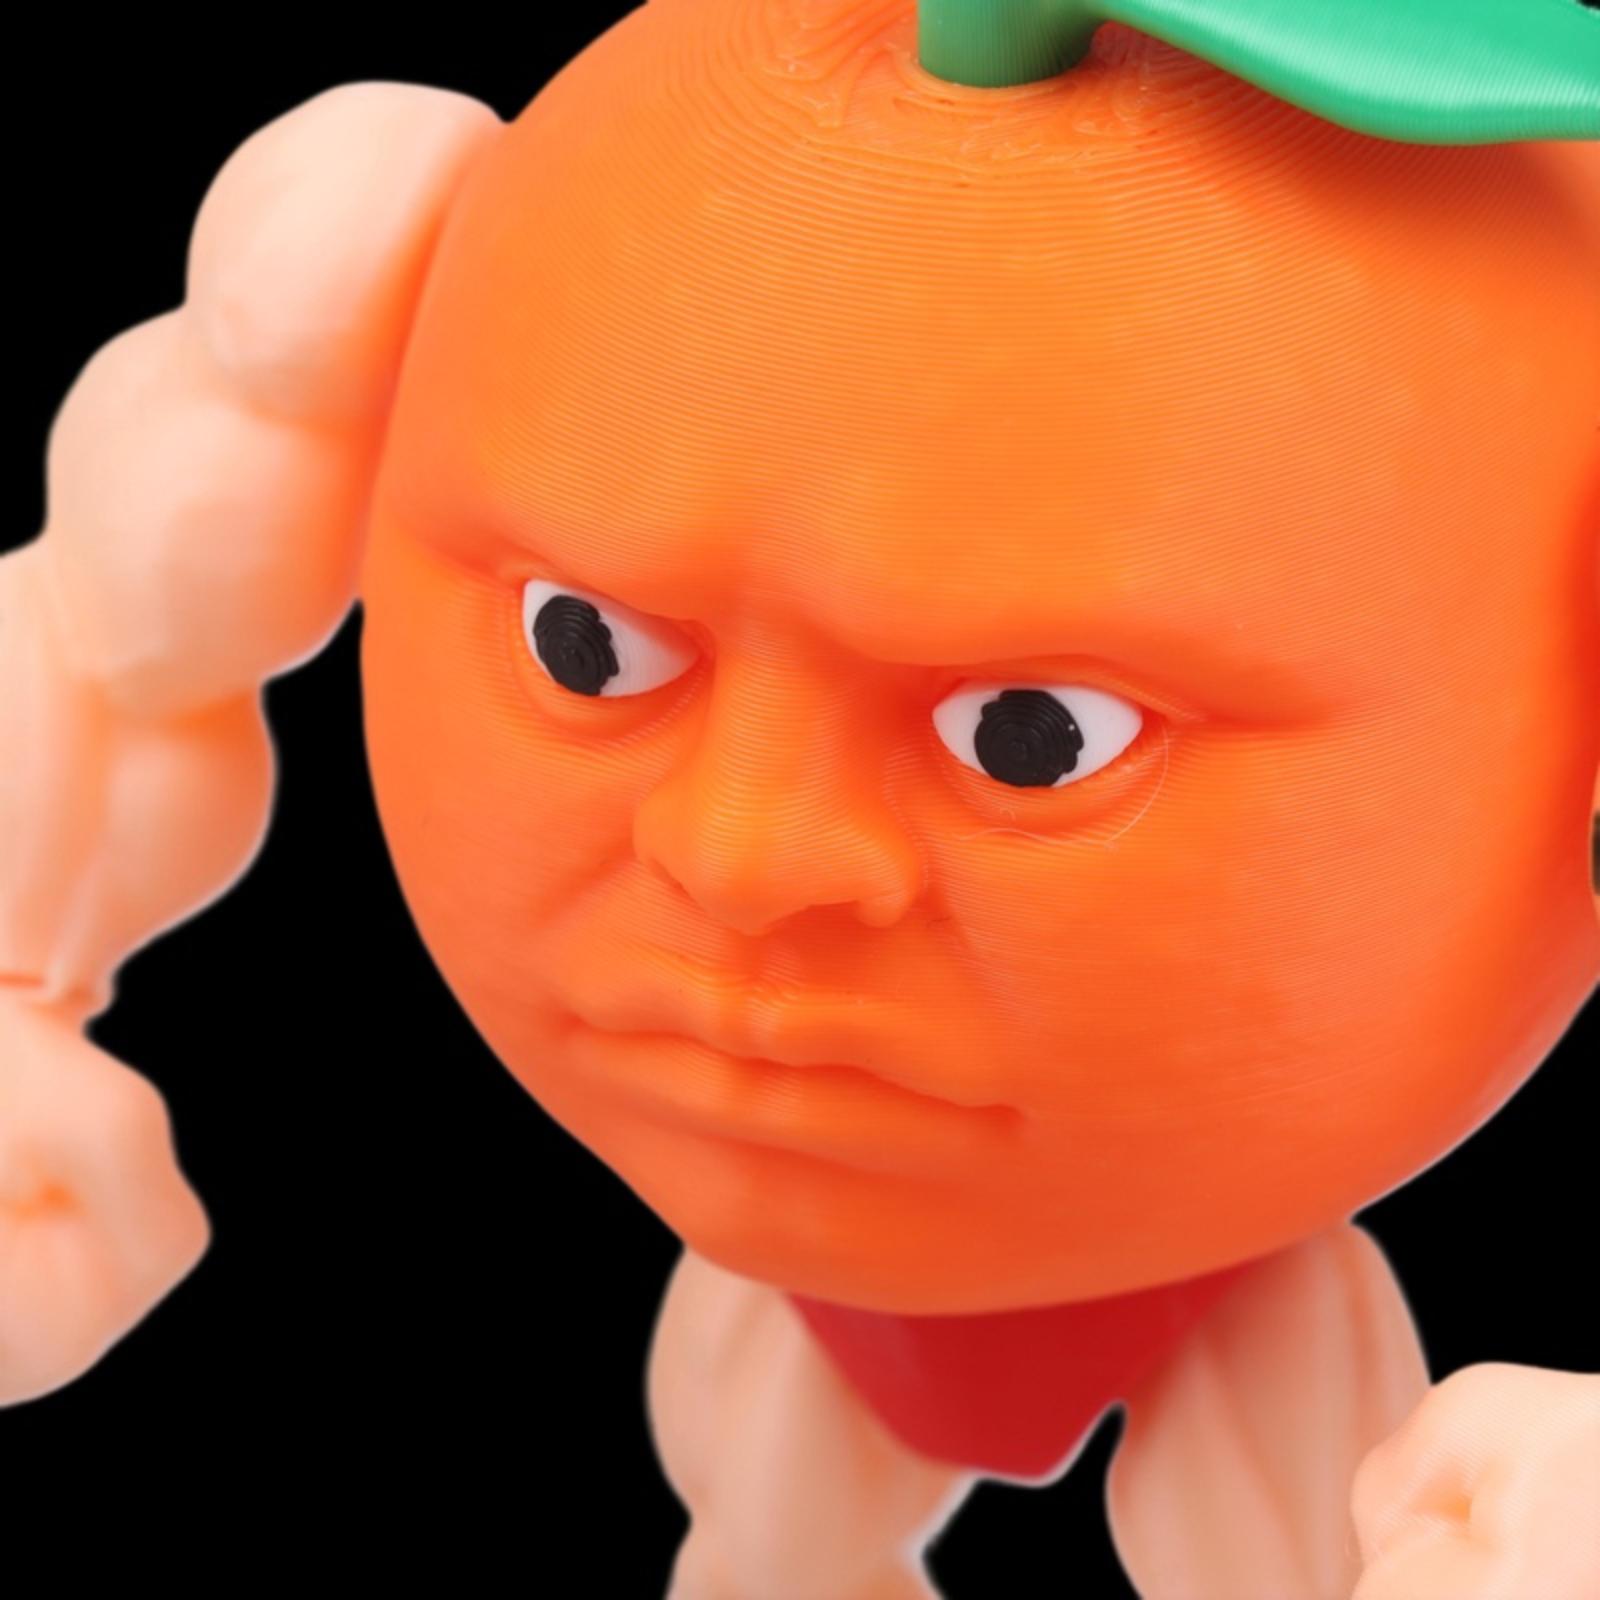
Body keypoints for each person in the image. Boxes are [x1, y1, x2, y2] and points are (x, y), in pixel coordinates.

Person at [5, 4, 1598, 1594]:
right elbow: (127, 616)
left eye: (1034, 736)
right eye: (588, 648)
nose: (743, 855)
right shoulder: (488, 215)